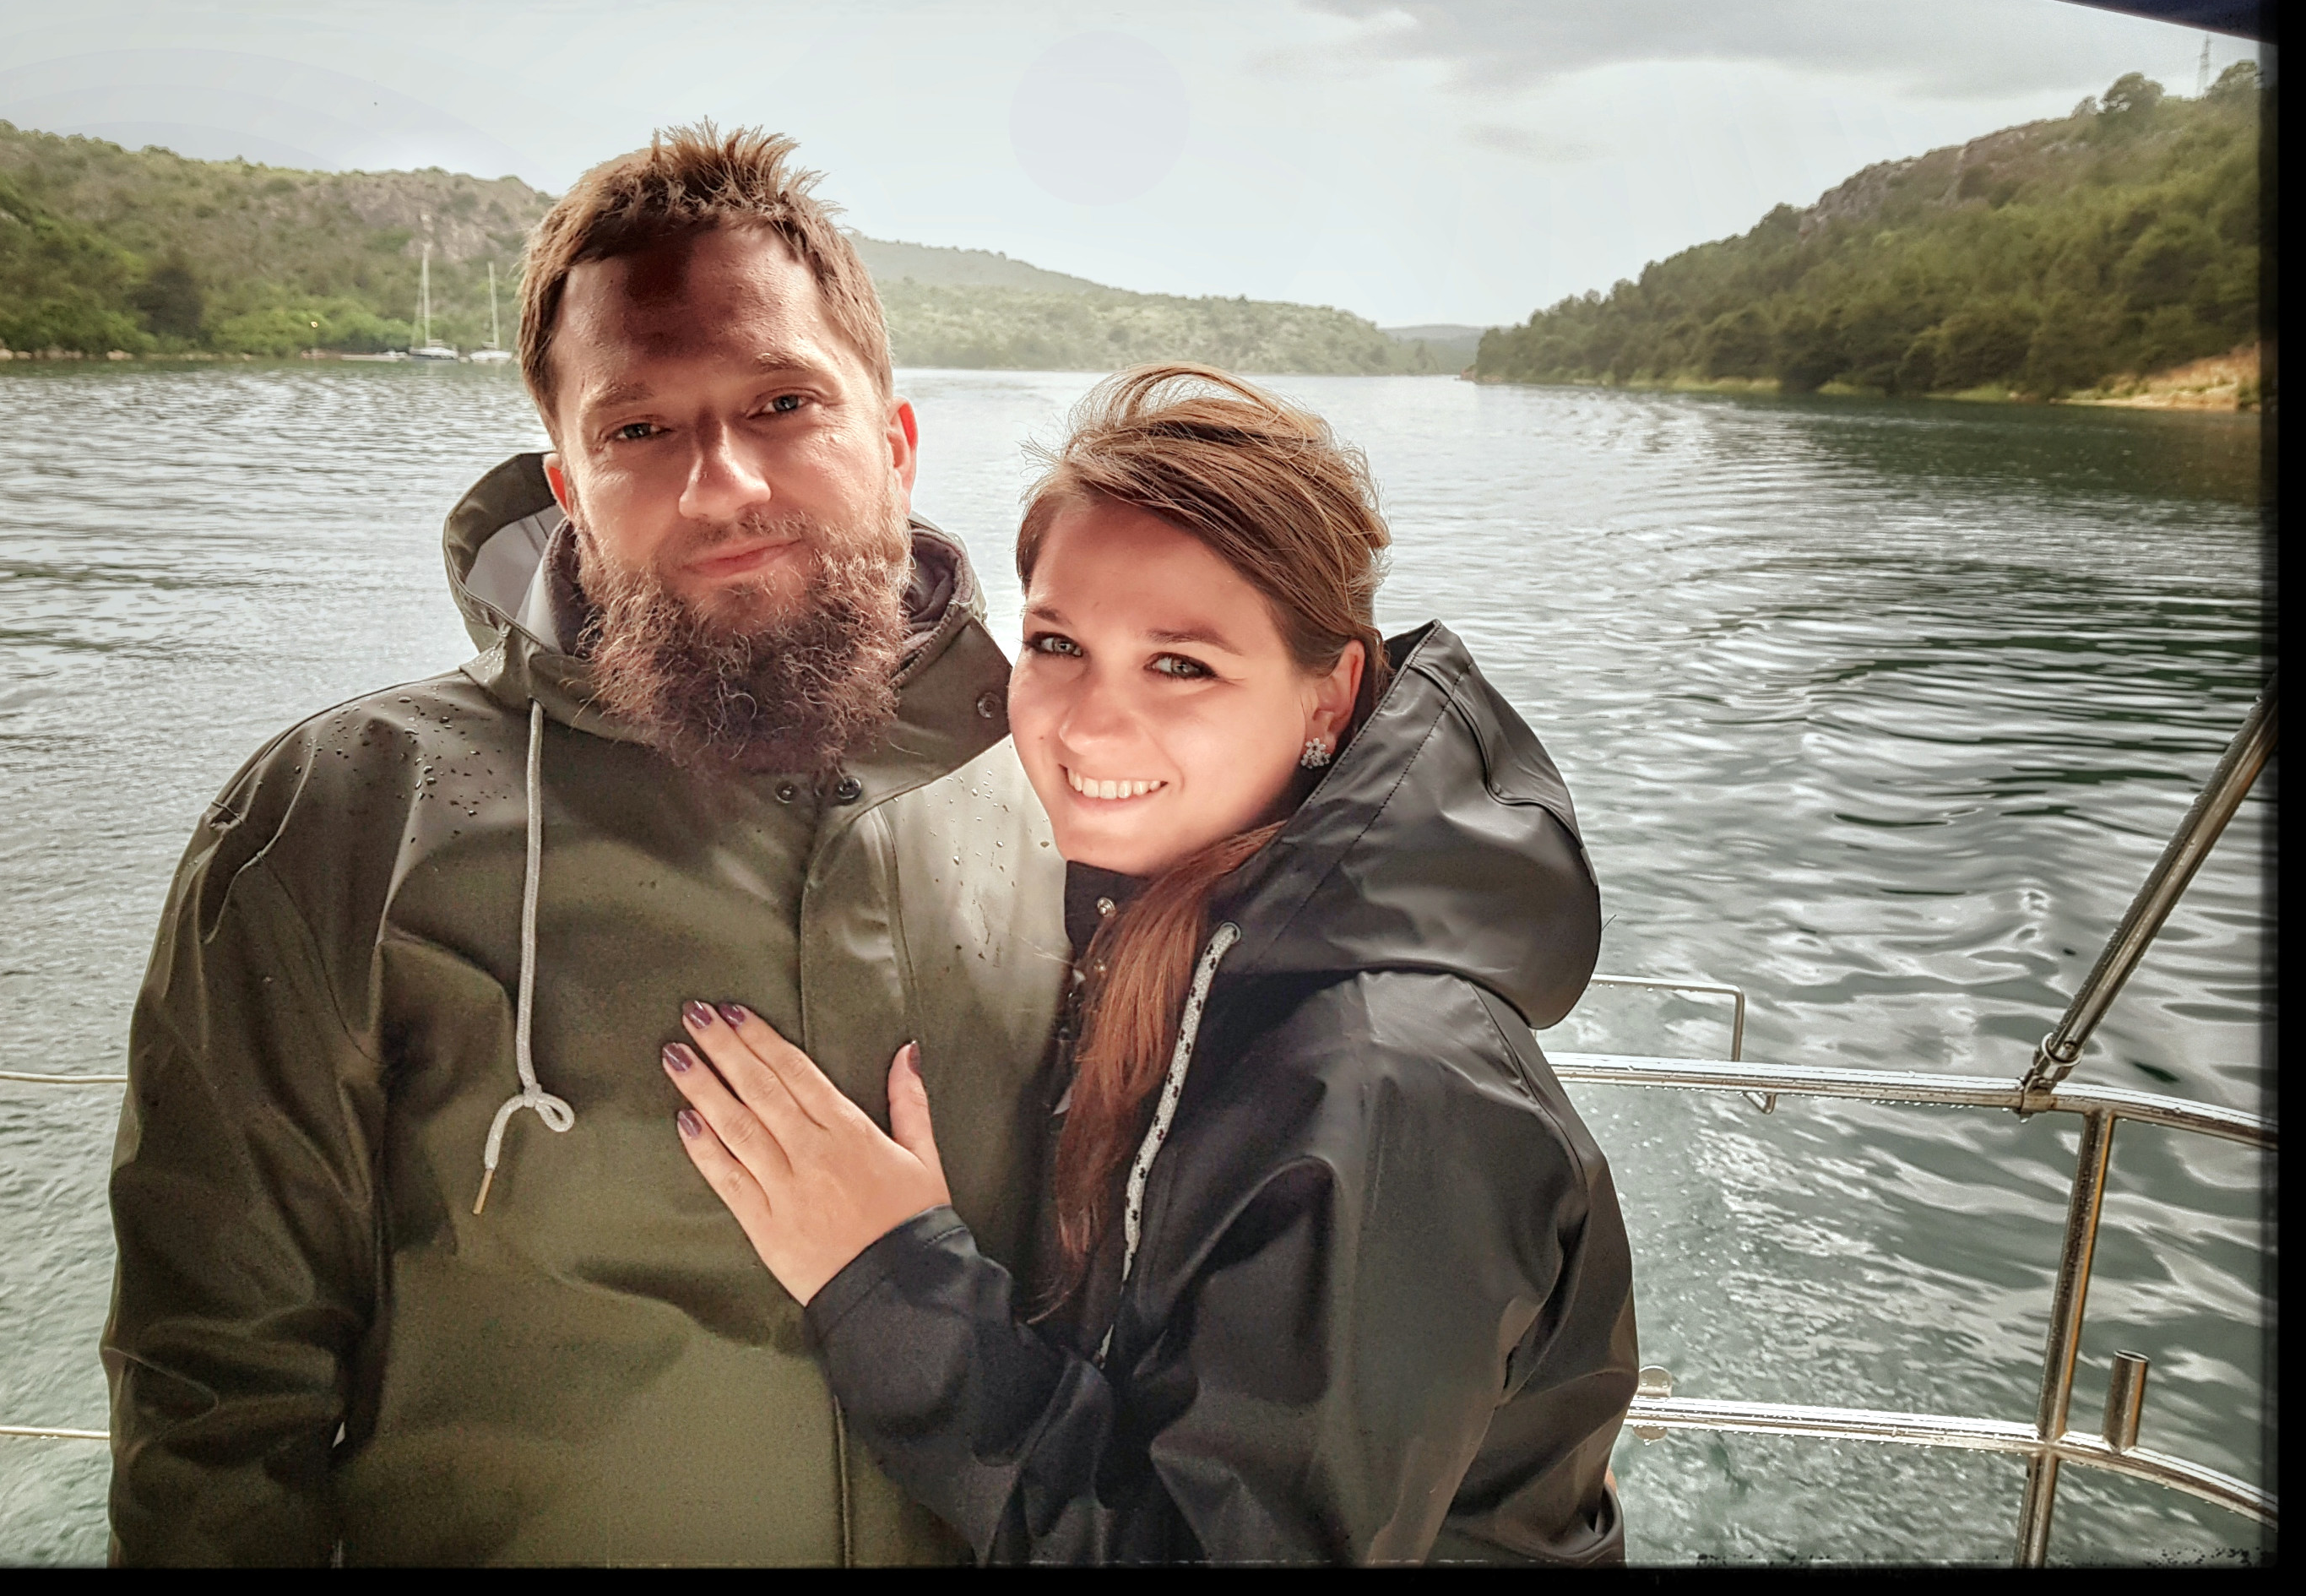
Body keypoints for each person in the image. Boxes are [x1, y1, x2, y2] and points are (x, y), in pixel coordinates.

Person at [100, 125, 1070, 1565]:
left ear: (895, 440)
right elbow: (213, 1401)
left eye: (784, 402)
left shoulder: (1067, 784)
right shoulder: (350, 814)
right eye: (637, 431)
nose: (723, 483)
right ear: (566, 484)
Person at [659, 365, 1641, 1564]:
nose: (1086, 723)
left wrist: (890, 1281)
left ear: (1328, 694)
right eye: (1057, 644)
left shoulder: (1390, 1086)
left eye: (1182, 664)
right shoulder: (1165, 929)